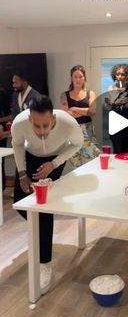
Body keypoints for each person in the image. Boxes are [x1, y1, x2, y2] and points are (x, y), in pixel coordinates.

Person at [12, 96, 84, 295]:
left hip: (54, 160)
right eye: (36, 126)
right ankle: (41, 228)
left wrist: (55, 163)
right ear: (29, 120)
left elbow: (77, 144)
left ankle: (45, 263)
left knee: (44, 209)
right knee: (19, 203)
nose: (42, 131)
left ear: (53, 118)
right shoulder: (19, 123)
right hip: (31, 157)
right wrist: (22, 173)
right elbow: (17, 144)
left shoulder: (67, 122)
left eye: (46, 125)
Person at [60, 65, 100, 167]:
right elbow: (65, 114)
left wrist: (74, 109)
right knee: (75, 164)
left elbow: (92, 110)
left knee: (91, 162)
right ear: (71, 78)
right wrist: (84, 111)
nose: (78, 79)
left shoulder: (90, 93)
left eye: (80, 76)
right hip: (71, 130)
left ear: (84, 78)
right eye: (75, 77)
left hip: (88, 131)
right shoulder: (64, 95)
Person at [0, 88, 12, 189]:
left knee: (0, 160)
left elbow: (10, 116)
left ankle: (1, 187)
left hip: (1, 132)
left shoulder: (3, 95)